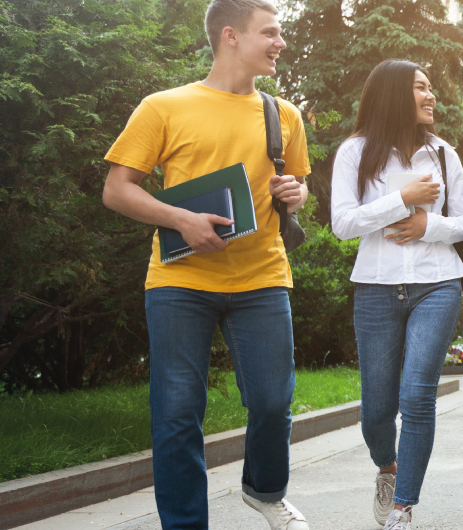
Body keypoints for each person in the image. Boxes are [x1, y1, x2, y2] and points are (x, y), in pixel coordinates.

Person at [101, 1, 310, 528]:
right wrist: (179, 218)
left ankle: (265, 490)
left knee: (271, 403)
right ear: (230, 36)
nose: (280, 42)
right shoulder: (164, 107)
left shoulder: (283, 114)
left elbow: (297, 188)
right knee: (176, 414)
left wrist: (295, 191)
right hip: (179, 280)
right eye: (271, 32)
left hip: (262, 277)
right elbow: (117, 190)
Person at [329, 60, 463, 530]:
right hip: (375, 288)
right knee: (376, 410)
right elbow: (342, 224)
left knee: (417, 395)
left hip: (437, 285)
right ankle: (387, 469)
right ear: (394, 93)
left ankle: (403, 507)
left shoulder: (443, 154)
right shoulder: (355, 152)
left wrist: (425, 224)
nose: (431, 96)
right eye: (420, 88)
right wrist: (402, 198)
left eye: (432, 88)